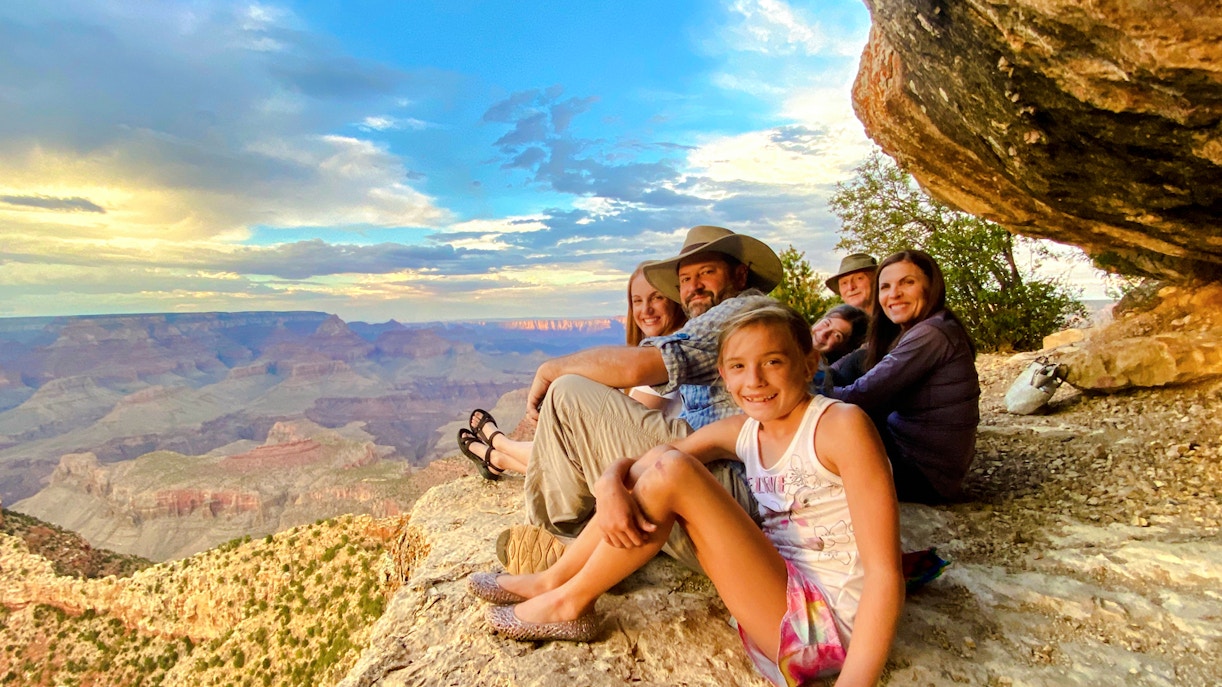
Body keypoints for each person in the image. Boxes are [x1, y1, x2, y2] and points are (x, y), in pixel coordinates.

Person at [467, 303, 904, 687]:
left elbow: (885, 574)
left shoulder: (841, 427)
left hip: (822, 631)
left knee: (674, 472)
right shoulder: (747, 430)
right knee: (665, 464)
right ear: (724, 376)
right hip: (779, 592)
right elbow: (652, 461)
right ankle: (553, 581)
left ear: (809, 364)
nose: (754, 380)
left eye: (772, 362)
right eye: (738, 367)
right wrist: (610, 484)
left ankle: (568, 601)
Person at [487, 225, 784, 573]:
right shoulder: (748, 317)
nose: (694, 286)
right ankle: (569, 536)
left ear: (740, 274)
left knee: (569, 393)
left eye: (706, 272)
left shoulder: (740, 311)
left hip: (739, 502)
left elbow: (642, 366)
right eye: (685, 279)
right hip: (732, 496)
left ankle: (560, 541)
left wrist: (552, 368)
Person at [459, 263, 689, 477]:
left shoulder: (670, 355)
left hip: (644, 466)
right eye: (637, 301)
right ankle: (498, 459)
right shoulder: (660, 347)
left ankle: (499, 444)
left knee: (569, 448)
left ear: (673, 299)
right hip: (640, 458)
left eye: (657, 297)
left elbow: (625, 429)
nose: (646, 309)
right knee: (569, 445)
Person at [826, 250, 980, 504]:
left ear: (931, 287)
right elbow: (854, 368)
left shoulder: (932, 333)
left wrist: (803, 392)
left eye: (907, 282)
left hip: (925, 476)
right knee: (856, 362)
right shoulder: (920, 328)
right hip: (916, 455)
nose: (894, 294)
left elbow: (861, 396)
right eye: (886, 287)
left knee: (830, 412)